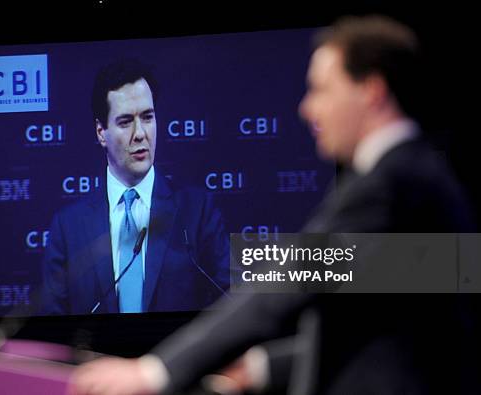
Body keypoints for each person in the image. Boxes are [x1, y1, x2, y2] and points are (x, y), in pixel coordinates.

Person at [70, 15, 478, 395]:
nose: (307, 108)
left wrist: (154, 372)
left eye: (321, 90)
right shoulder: (416, 173)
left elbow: (294, 279)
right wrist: (264, 366)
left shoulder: (393, 182)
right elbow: (390, 324)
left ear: (371, 90)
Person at [41, 59, 230, 315]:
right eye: (126, 121)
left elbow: (225, 303)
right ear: (100, 132)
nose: (140, 133)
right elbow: (53, 318)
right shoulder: (68, 227)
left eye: (148, 117)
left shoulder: (197, 211)